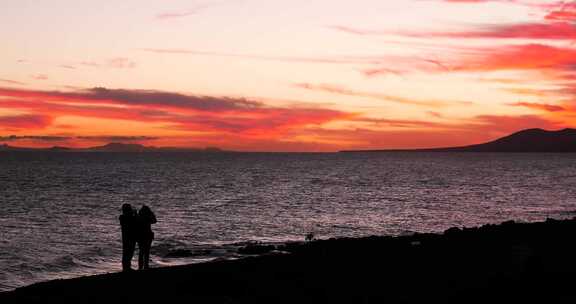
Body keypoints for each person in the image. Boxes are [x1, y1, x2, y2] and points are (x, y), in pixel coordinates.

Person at [136, 205, 157, 270]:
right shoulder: (147, 217)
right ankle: (145, 266)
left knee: (141, 252)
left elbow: (154, 221)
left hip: (141, 236)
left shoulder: (139, 217)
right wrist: (152, 214)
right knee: (146, 252)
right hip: (147, 235)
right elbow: (154, 221)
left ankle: (140, 267)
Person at [119, 203, 137, 272]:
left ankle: (127, 267)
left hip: (128, 237)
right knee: (128, 253)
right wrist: (135, 214)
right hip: (129, 237)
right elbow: (135, 221)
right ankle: (126, 268)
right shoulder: (125, 218)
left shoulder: (123, 217)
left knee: (128, 253)